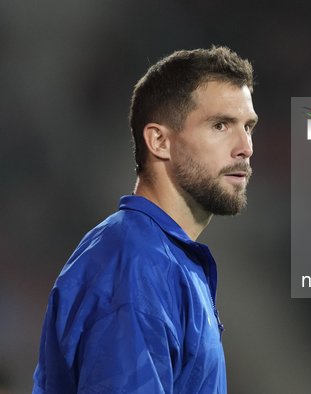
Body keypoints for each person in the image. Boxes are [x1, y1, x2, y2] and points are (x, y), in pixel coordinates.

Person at [32, 46, 257, 394]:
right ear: (159, 141)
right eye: (221, 125)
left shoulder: (164, 258)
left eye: (248, 127)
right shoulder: (136, 265)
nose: (245, 147)